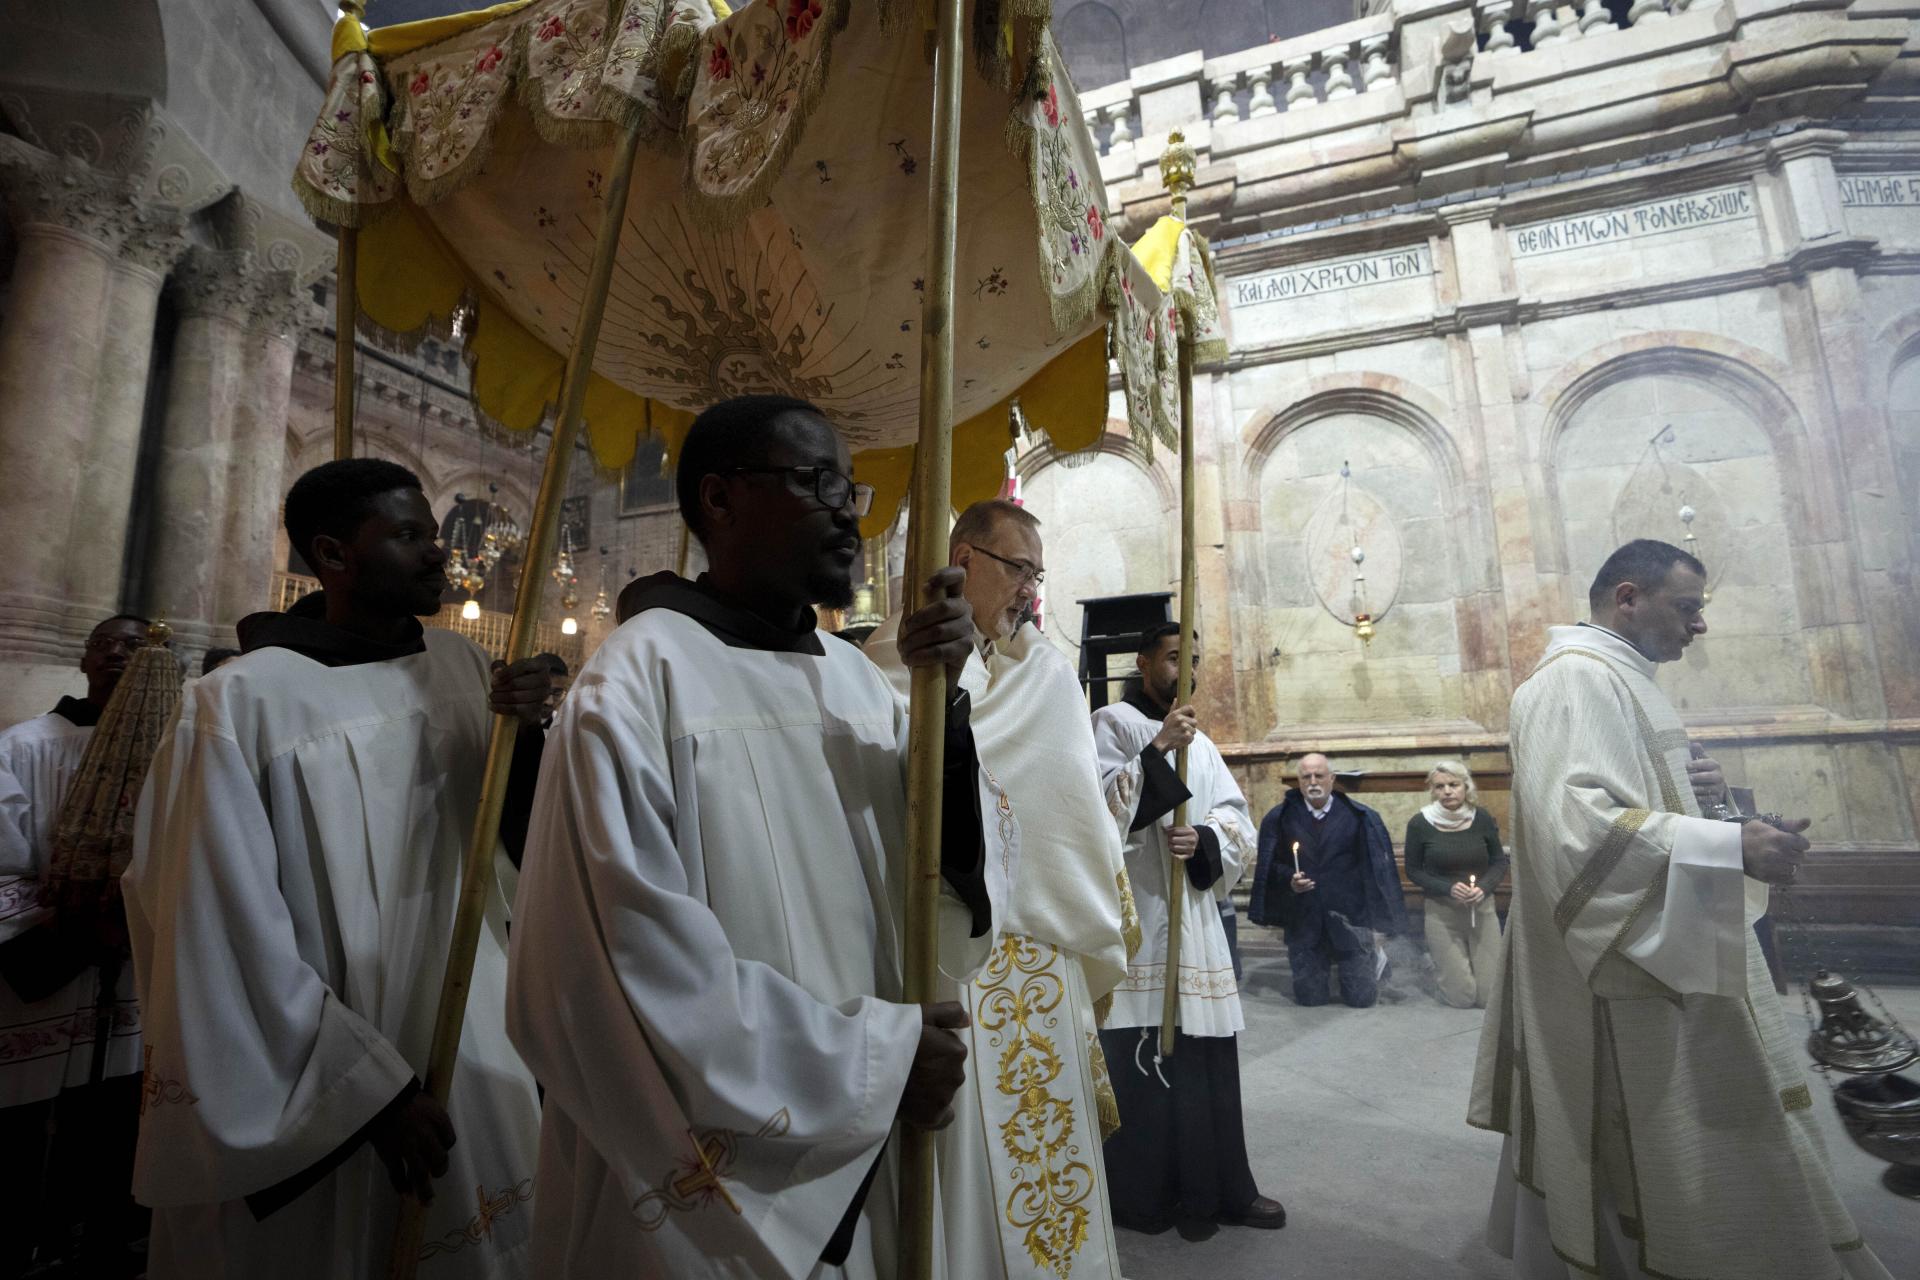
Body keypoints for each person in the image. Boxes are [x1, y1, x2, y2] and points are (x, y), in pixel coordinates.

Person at [505, 395, 1007, 1277]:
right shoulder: (636, 683)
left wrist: (946, 714)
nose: (848, 513)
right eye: (814, 482)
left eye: (849, 488)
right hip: (711, 1184)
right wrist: (872, 1064)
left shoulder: (857, 679)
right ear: (720, 500)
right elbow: (620, 971)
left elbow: (937, 886)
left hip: (871, 1139)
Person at [126, 458, 552, 1278]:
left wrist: (526, 737)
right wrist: (369, 1095)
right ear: (332, 555)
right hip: (328, 1068)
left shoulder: (464, 669)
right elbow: (213, 925)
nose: (438, 554)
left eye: (435, 534)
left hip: (467, 1032)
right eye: (407, 536)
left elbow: (514, 844)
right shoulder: (240, 704)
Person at [1469, 539, 1893, 1280]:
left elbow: (1639, 804)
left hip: (1666, 937)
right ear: (1628, 597)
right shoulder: (1576, 682)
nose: (1699, 628)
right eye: (1688, 607)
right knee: (1649, 1137)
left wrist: (1716, 806)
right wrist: (1729, 848)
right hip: (1621, 970)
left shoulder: (1621, 678)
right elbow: (1578, 828)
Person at [865, 498, 1134, 1280]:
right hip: (944, 968)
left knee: (1051, 1185)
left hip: (1043, 973)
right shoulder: (888, 662)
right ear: (964, 559)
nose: (1030, 592)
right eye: (1019, 570)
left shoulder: (1047, 675)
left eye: (1038, 577)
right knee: (962, 1188)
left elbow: (1071, 823)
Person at [1090, 622, 1284, 1237]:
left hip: (1195, 925)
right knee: (1143, 1064)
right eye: (1174, 657)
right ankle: (1144, 1196)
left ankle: (1221, 1187)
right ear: (1143, 661)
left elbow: (1234, 817)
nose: (1185, 669)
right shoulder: (1112, 724)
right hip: (1140, 923)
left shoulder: (1200, 743)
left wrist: (1202, 838)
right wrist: (1155, 751)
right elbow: (1095, 811)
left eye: (1192, 659)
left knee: (1206, 1063)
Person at [0, 613, 151, 1274]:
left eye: (135, 645)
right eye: (104, 643)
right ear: (84, 660)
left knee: (114, 1122)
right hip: (45, 959)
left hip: (131, 978)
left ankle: (98, 1245)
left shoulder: (175, 753)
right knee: (24, 1135)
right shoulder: (24, 745)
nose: (118, 653)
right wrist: (78, 924)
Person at [1247, 753, 1408, 1008]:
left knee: (1361, 999)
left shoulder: (1358, 817)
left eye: (1319, 775)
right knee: (1311, 999)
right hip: (1305, 921)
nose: (1313, 782)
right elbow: (1270, 866)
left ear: (1332, 779)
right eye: (1306, 776)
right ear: (1298, 782)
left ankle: (1374, 961)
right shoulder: (1282, 818)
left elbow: (1372, 871)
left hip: (1350, 920)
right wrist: (1290, 878)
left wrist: (1378, 924)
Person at [1403, 760, 1506, 1009]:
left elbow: (1499, 862)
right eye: (1440, 786)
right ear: (1433, 791)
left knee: (1488, 999)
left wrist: (1483, 887)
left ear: (1465, 787)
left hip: (1481, 908)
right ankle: (1441, 968)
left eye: (1453, 784)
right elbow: (1414, 871)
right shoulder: (1419, 824)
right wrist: (1447, 888)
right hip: (1442, 911)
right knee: (1462, 998)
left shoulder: (1481, 818)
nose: (1447, 791)